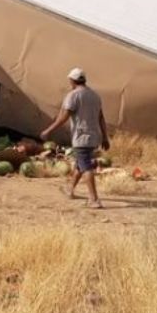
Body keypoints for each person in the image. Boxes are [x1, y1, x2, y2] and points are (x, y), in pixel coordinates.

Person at [40, 68, 110, 209]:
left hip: (81, 137)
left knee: (86, 167)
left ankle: (94, 200)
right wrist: (105, 137)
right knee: (80, 163)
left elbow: (63, 117)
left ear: (72, 80)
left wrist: (48, 130)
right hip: (93, 137)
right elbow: (101, 118)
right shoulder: (95, 96)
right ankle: (70, 190)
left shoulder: (73, 95)